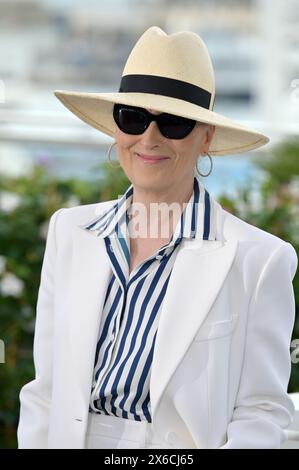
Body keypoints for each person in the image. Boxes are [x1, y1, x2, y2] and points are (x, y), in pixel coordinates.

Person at [17, 26, 298, 449]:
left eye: (173, 123)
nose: (149, 138)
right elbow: (46, 390)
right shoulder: (69, 233)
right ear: (116, 131)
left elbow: (263, 411)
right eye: (133, 118)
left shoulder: (259, 260)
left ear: (206, 138)